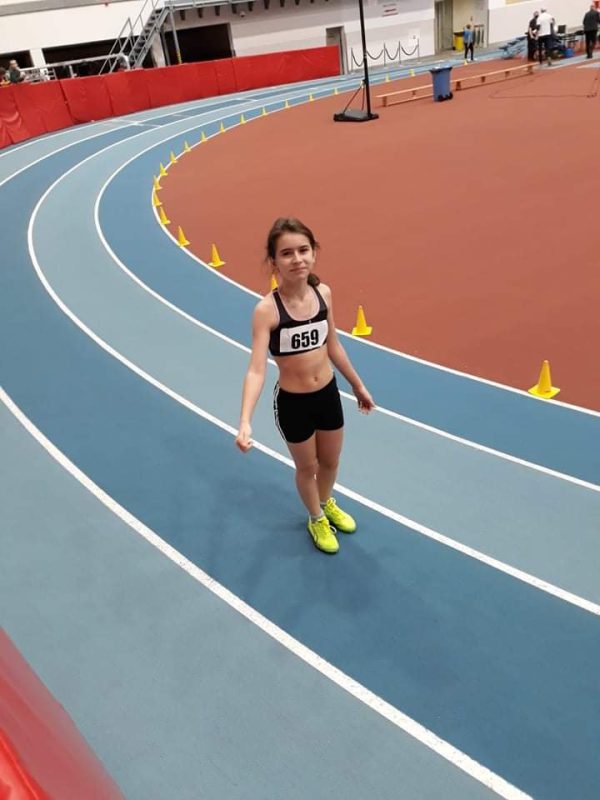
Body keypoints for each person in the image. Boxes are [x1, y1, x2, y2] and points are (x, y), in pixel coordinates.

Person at [235, 217, 375, 555]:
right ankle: (316, 518)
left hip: (328, 394)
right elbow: (256, 370)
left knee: (330, 462)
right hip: (293, 404)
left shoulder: (323, 294)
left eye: (303, 250)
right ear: (273, 261)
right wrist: (245, 421)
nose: (297, 259)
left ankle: (325, 502)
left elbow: (333, 345)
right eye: (287, 253)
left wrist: (357, 385)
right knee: (307, 467)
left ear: (314, 253)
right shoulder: (266, 311)